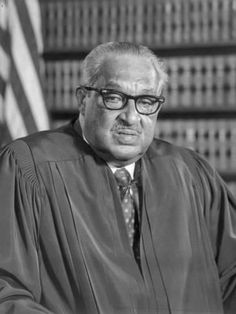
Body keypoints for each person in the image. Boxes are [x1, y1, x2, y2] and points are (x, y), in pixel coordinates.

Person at [0, 42, 235, 314]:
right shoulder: (29, 167)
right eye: (114, 97)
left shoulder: (191, 173)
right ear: (82, 99)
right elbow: (6, 289)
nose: (131, 117)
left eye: (146, 101)